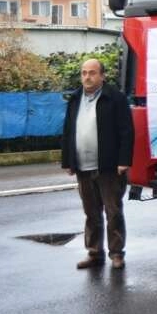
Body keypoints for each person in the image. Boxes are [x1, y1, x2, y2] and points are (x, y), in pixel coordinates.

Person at [61, 58, 134, 270]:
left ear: (102, 75)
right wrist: (68, 161)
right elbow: (68, 130)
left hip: (109, 166)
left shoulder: (115, 98)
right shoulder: (75, 99)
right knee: (91, 213)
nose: (87, 77)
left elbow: (127, 131)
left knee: (113, 212)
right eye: (84, 73)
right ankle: (94, 253)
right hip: (83, 166)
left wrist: (124, 160)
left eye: (92, 73)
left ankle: (116, 254)